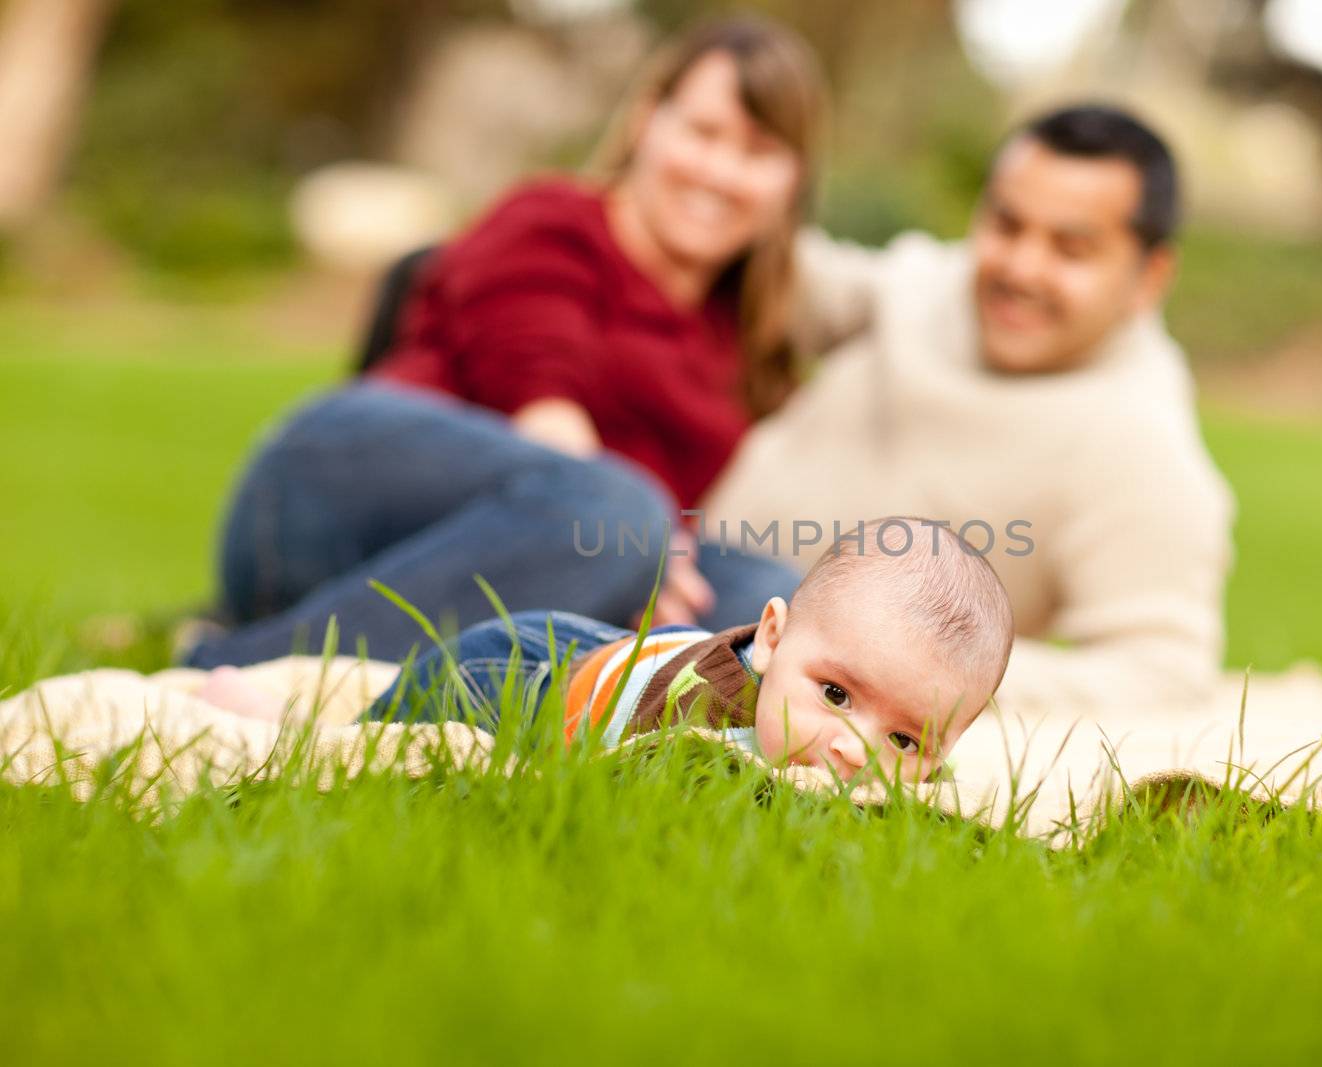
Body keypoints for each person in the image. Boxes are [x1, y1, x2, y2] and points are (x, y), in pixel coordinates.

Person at [186, 16, 824, 669]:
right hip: (333, 498)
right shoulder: (552, 221)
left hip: (565, 559)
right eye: (703, 132)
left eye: (756, 151)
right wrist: (637, 551)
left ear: (792, 180)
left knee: (773, 603)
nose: (719, 171)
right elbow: (545, 413)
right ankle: (234, 669)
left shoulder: (743, 337)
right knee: (618, 513)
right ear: (645, 120)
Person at [700, 105, 1236, 709]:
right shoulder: (935, 284)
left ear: (1149, 278)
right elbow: (787, 287)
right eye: (1007, 226)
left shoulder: (1140, 442)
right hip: (674, 544)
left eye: (1072, 249)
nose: (1021, 268)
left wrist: (910, 672)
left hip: (754, 646)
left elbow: (1163, 675)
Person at [201, 517, 1016, 783]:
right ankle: (286, 720)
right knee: (390, 740)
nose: (851, 748)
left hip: (603, 654)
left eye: (905, 739)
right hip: (523, 672)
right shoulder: (700, 730)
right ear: (771, 639)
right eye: (836, 694)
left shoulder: (867, 772)